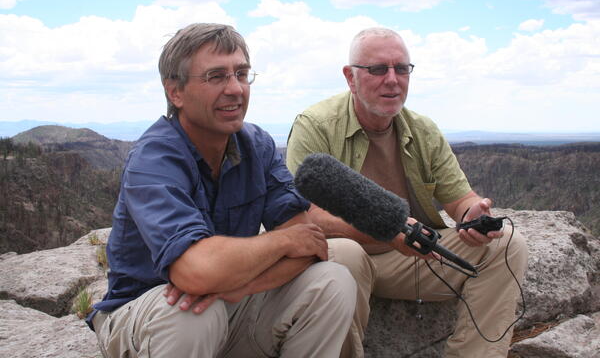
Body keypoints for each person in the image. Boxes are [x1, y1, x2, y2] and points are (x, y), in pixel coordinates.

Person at [86, 23, 356, 358]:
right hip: (146, 312)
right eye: (216, 77)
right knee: (192, 315)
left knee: (332, 281)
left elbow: (309, 246)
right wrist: (281, 240)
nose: (235, 89)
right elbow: (196, 272)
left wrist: (241, 286)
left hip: (225, 303)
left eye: (241, 74)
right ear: (175, 92)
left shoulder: (257, 145)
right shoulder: (154, 159)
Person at [286, 27, 528, 358]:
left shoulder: (423, 130)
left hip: (412, 257)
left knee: (506, 244)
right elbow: (303, 215)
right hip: (350, 256)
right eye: (378, 69)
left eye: (401, 68)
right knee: (344, 255)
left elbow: (459, 200)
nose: (392, 79)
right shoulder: (316, 126)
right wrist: (387, 230)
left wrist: (473, 214)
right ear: (350, 77)